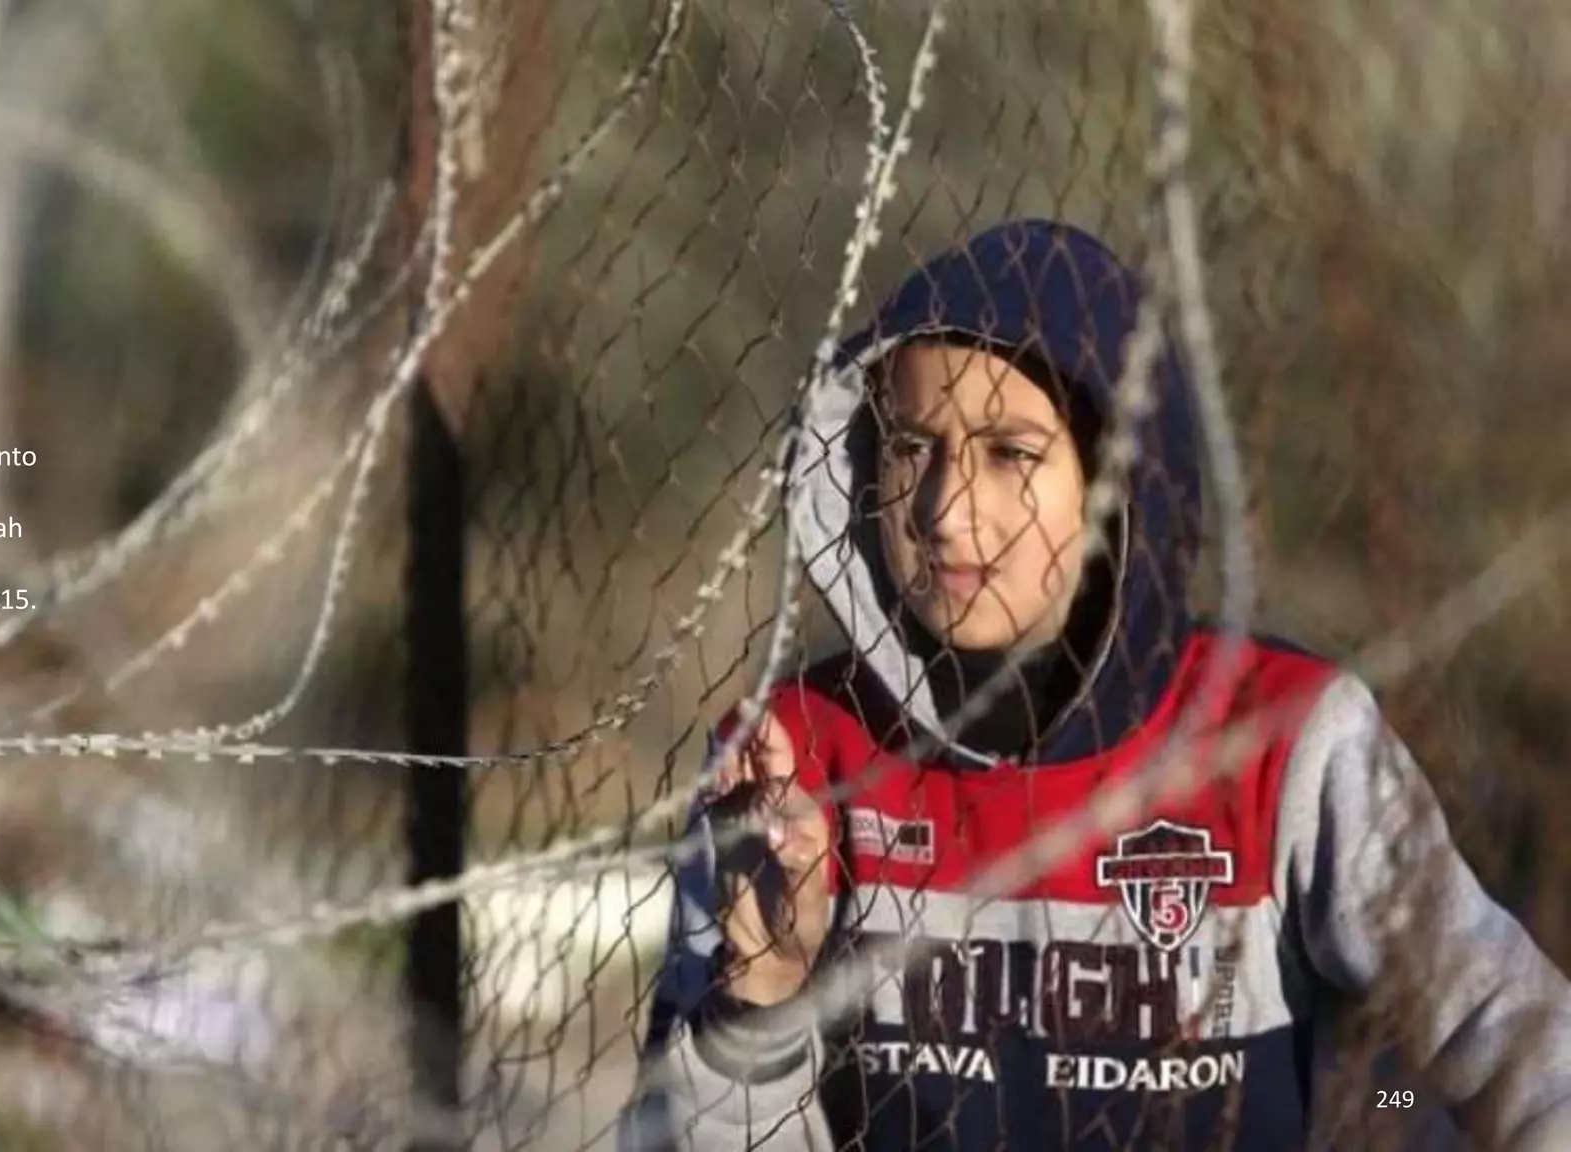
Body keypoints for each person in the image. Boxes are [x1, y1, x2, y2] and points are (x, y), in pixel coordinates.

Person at [619, 219, 1571, 1150]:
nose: (945, 511)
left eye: (1010, 454)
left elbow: (1511, 1034)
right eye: (912, 445)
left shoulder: (1284, 741)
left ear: (1123, 483)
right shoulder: (790, 767)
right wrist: (761, 1003)